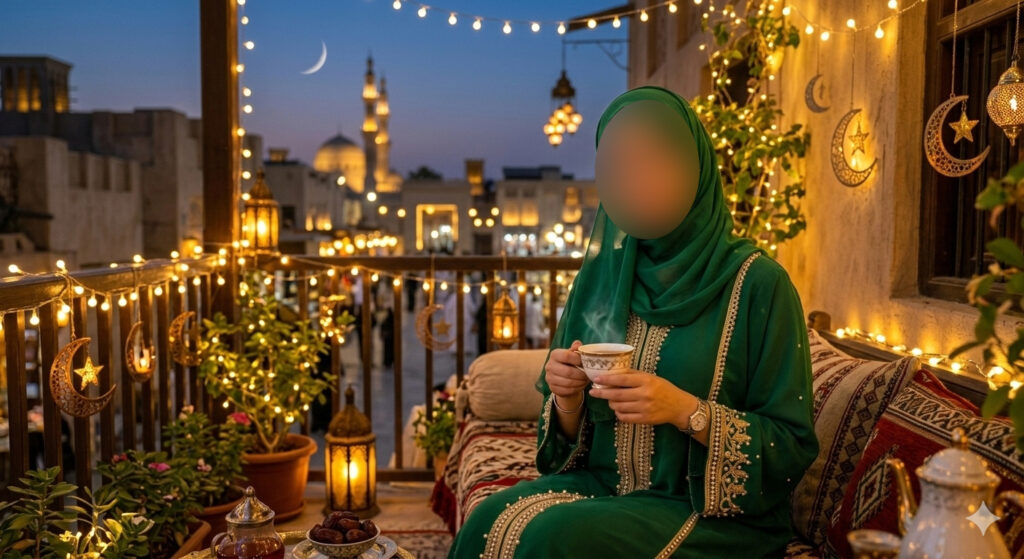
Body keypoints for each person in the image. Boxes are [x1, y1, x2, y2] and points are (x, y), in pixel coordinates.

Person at [447, 86, 818, 558]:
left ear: (697, 167)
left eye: (653, 161)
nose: (634, 181)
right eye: (616, 166)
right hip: (603, 486)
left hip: (703, 508)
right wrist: (566, 398)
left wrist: (685, 409)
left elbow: (790, 447)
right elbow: (560, 450)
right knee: (487, 521)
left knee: (551, 537)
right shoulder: (603, 280)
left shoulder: (758, 285)